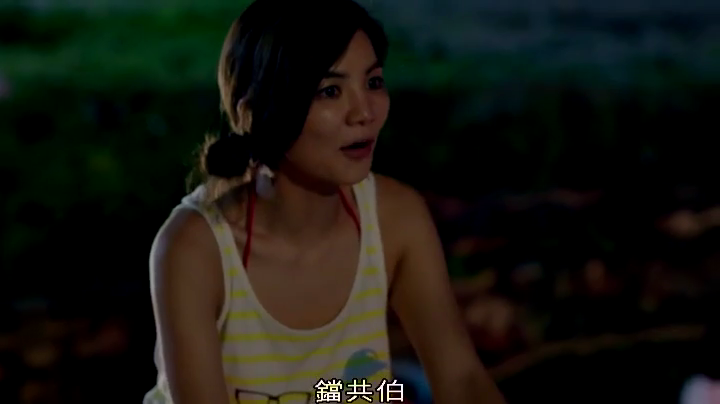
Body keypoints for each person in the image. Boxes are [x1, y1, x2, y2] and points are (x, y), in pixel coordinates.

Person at [144, 0, 506, 403]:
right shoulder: (195, 248)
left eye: (373, 82)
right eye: (330, 91)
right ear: (253, 114)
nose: (364, 112)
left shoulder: (394, 220)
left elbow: (462, 381)